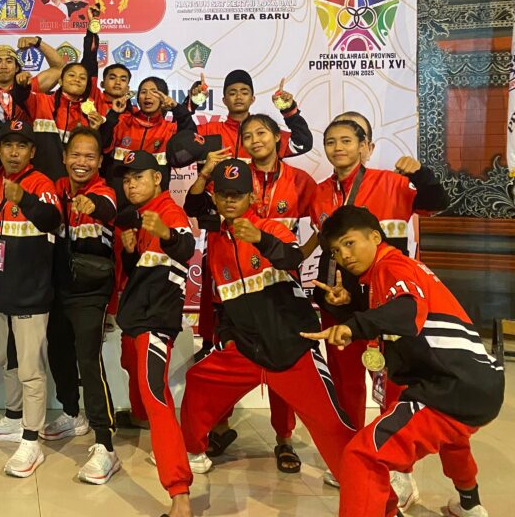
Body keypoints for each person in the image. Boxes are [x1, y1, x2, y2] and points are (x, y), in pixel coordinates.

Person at [304, 205, 503, 517]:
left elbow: (407, 312)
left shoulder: (392, 267)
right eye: (336, 251)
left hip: (448, 387)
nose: (344, 256)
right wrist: (349, 307)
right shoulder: (385, 274)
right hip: (478, 384)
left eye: (349, 243)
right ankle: (469, 503)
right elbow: (390, 317)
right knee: (453, 436)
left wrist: (352, 326)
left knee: (361, 455)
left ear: (375, 236)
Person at [179, 159, 356, 485]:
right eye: (224, 194)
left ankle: (360, 477)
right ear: (215, 198)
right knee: (198, 380)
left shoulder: (271, 228)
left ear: (251, 198)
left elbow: (292, 258)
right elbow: (223, 296)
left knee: (329, 419)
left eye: (237, 194)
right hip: (246, 348)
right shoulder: (216, 236)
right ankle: (192, 451)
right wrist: (227, 336)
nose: (230, 201)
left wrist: (260, 238)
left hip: (291, 345)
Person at [181, 114, 317, 472]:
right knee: (223, 359)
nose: (256, 140)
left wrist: (301, 254)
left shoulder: (298, 180)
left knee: (283, 367)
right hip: (231, 291)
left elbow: (321, 224)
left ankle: (284, 440)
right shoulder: (234, 173)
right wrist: (206, 174)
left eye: (262, 133)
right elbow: (194, 208)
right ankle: (219, 428)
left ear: (277, 138)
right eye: (249, 135)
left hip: (275, 287)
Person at [0, 120, 62, 477]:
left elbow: (52, 220)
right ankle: (14, 417)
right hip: (1, 291)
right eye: (8, 145)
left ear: (32, 151)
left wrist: (24, 199)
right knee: (5, 358)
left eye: (21, 146)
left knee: (30, 369)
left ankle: (31, 440)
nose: (14, 152)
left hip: (31, 293)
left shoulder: (41, 183)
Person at [114, 151, 196, 517]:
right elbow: (145, 270)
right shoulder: (140, 215)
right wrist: (131, 253)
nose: (131, 184)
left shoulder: (169, 212)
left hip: (155, 320)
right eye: (127, 179)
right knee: (135, 375)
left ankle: (180, 495)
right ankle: (139, 420)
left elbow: (185, 247)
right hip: (138, 316)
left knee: (155, 396)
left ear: (158, 179)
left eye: (138, 177)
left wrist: (165, 234)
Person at [45, 127, 121, 484]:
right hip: (57, 287)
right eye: (76, 154)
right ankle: (72, 414)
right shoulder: (57, 187)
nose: (82, 162)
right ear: (64, 157)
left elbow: (107, 208)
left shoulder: (104, 191)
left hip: (91, 291)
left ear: (100, 161)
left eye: (89, 156)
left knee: (88, 360)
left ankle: (106, 443)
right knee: (58, 352)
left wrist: (91, 205)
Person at [187, 69, 312, 159]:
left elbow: (302, 143)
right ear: (224, 100)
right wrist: (192, 104)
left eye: (244, 92)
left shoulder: (265, 131)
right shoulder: (210, 130)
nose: (238, 96)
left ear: (252, 99)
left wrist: (289, 111)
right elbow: (180, 141)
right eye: (232, 93)